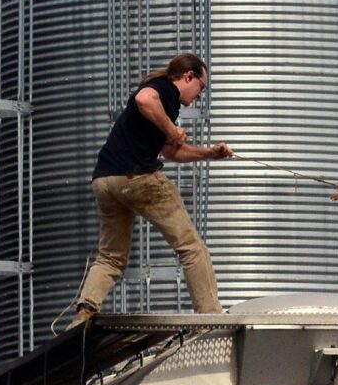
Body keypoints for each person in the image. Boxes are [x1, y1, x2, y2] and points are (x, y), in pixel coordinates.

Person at [64, 51, 231, 326]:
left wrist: (211, 153)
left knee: (111, 256)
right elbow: (144, 99)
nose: (200, 95)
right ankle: (211, 313)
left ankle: (85, 312)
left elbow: (171, 152)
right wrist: (171, 128)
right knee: (191, 247)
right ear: (188, 76)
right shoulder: (165, 89)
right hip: (137, 178)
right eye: (202, 87)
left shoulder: (167, 102)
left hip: (106, 181)